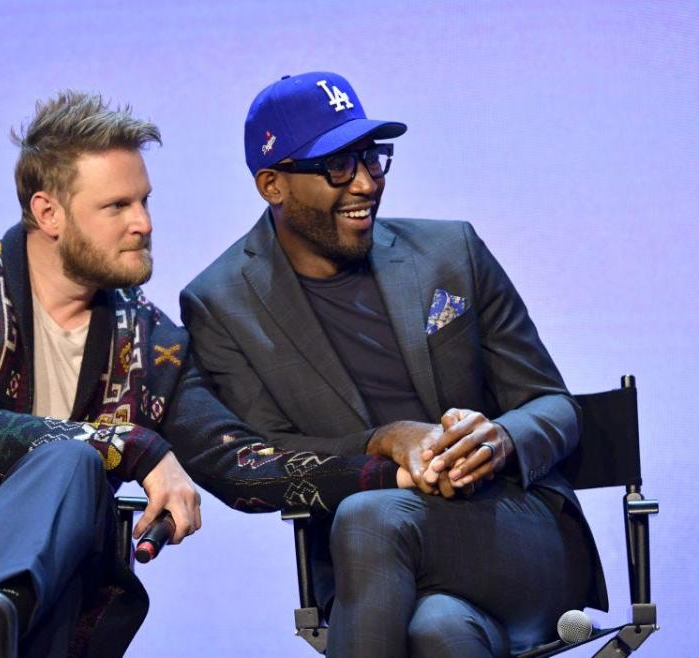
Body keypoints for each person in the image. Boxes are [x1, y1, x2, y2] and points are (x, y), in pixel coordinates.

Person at [0, 91, 410, 658]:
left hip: (62, 574)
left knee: (76, 556)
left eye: (144, 201)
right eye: (116, 205)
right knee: (73, 464)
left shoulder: (152, 341)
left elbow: (235, 461)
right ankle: (0, 609)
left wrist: (387, 464)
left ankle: (0, 616)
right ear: (48, 212)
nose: (142, 222)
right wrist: (137, 448)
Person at [180, 71, 607, 657]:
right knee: (438, 632)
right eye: (337, 164)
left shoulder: (452, 251)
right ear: (272, 185)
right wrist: (385, 440)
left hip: (516, 533)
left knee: (370, 517)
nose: (365, 183)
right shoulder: (220, 302)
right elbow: (270, 456)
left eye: (372, 158)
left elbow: (556, 406)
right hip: (374, 577)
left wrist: (500, 438)